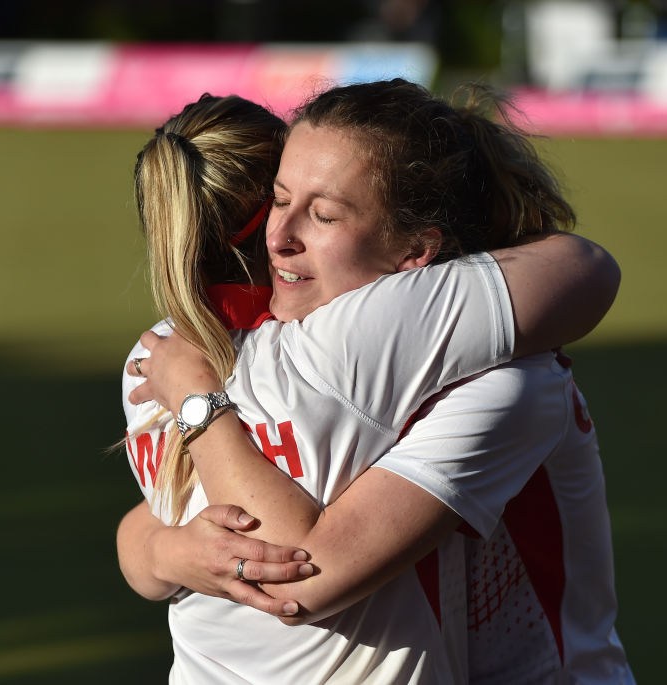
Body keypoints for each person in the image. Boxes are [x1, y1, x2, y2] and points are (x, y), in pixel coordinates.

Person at [119, 80, 632, 683]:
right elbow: (159, 516)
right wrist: (168, 550)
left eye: (325, 214)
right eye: (278, 200)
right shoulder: (223, 348)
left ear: (418, 254)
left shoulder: (485, 373)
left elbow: (299, 574)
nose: (279, 237)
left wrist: (197, 405)